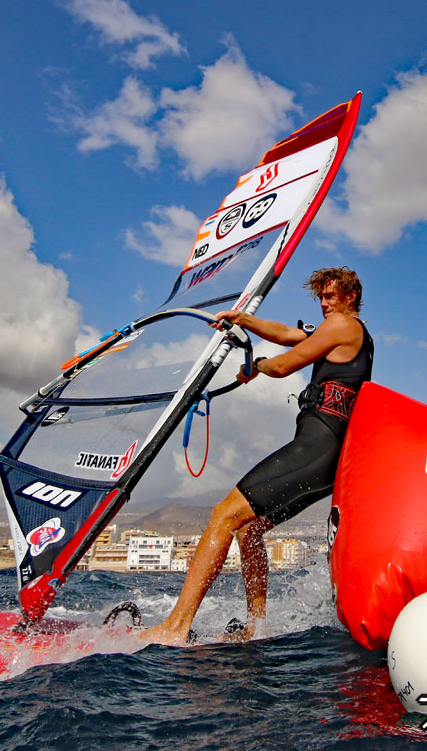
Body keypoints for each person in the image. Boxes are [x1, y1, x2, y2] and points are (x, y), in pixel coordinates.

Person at [142, 267, 373, 645]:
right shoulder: (340, 333)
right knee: (250, 528)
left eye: (331, 296)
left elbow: (283, 364)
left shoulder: (345, 325)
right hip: (330, 459)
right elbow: (287, 334)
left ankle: (175, 627)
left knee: (223, 515)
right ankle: (256, 625)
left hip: (318, 446)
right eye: (321, 297)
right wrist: (244, 319)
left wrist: (256, 367)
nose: (324, 303)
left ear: (350, 297)